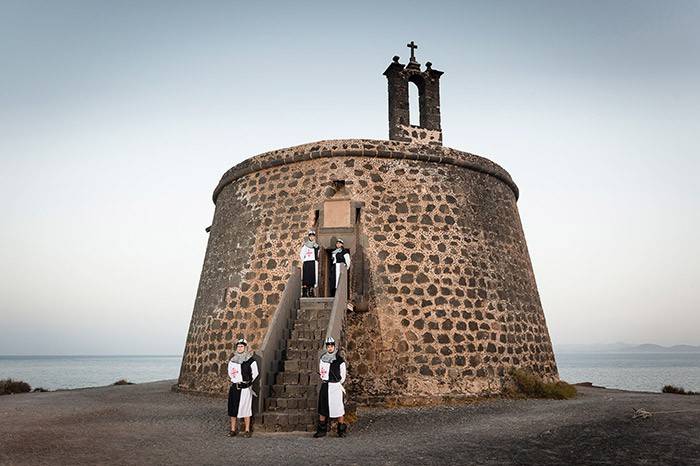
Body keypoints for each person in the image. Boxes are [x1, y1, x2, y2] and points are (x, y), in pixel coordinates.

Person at [313, 337, 347, 438]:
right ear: (326, 347)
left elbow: (343, 375)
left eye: (332, 346)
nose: (330, 348)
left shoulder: (340, 361)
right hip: (325, 386)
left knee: (339, 409)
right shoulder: (323, 359)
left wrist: (337, 383)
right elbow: (322, 372)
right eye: (328, 346)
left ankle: (341, 430)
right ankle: (321, 430)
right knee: (323, 408)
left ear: (334, 347)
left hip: (336, 387)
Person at [227, 338, 258, 437]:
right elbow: (230, 373)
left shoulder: (250, 360)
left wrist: (248, 382)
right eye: (238, 346)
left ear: (245, 347)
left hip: (245, 388)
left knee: (246, 409)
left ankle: (247, 430)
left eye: (242, 346)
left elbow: (255, 373)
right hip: (235, 388)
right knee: (233, 409)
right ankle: (233, 430)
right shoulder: (232, 361)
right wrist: (236, 380)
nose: (240, 348)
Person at [299, 230, 319, 297]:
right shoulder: (305, 246)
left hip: (313, 262)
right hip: (307, 262)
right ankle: (305, 292)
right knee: (306, 277)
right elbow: (301, 254)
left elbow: (317, 254)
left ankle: (311, 292)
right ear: (309, 237)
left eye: (313, 236)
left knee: (313, 277)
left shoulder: (316, 246)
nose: (312, 238)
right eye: (310, 236)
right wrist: (304, 260)